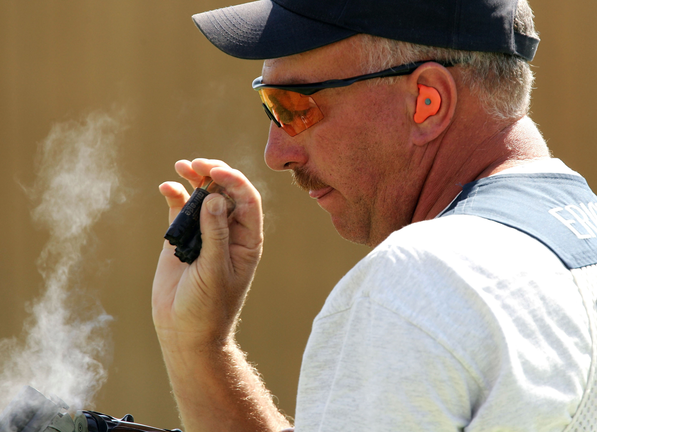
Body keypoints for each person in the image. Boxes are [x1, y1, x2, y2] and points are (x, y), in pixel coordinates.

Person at [151, 0, 597, 430]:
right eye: (269, 106)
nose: (275, 154)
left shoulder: (418, 281)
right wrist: (197, 345)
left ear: (428, 101)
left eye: (293, 106)